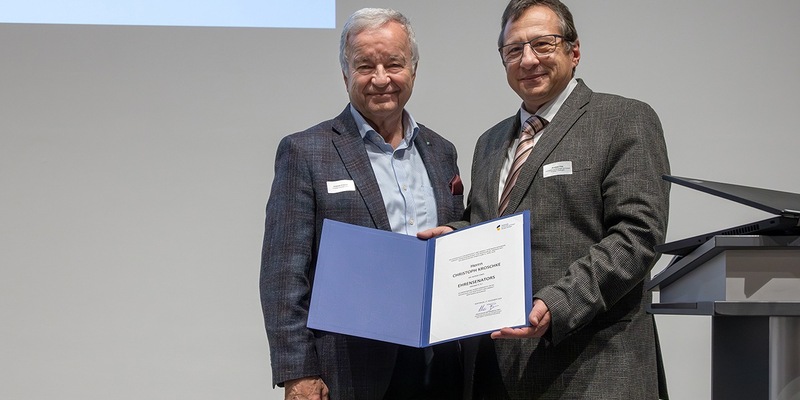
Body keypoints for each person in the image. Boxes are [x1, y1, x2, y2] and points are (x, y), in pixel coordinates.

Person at [419, 0, 670, 398]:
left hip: (591, 368)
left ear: (574, 50)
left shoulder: (623, 119)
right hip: (497, 370)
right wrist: (455, 234)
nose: (528, 59)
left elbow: (638, 236)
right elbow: (490, 224)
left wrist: (557, 303)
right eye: (514, 50)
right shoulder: (489, 142)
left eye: (543, 44)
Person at [259, 7, 465, 400]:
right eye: (365, 66)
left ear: (414, 70)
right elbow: (282, 276)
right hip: (351, 371)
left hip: (440, 362)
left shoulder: (441, 151)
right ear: (345, 74)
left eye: (394, 64)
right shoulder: (306, 152)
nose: (381, 78)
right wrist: (298, 373)